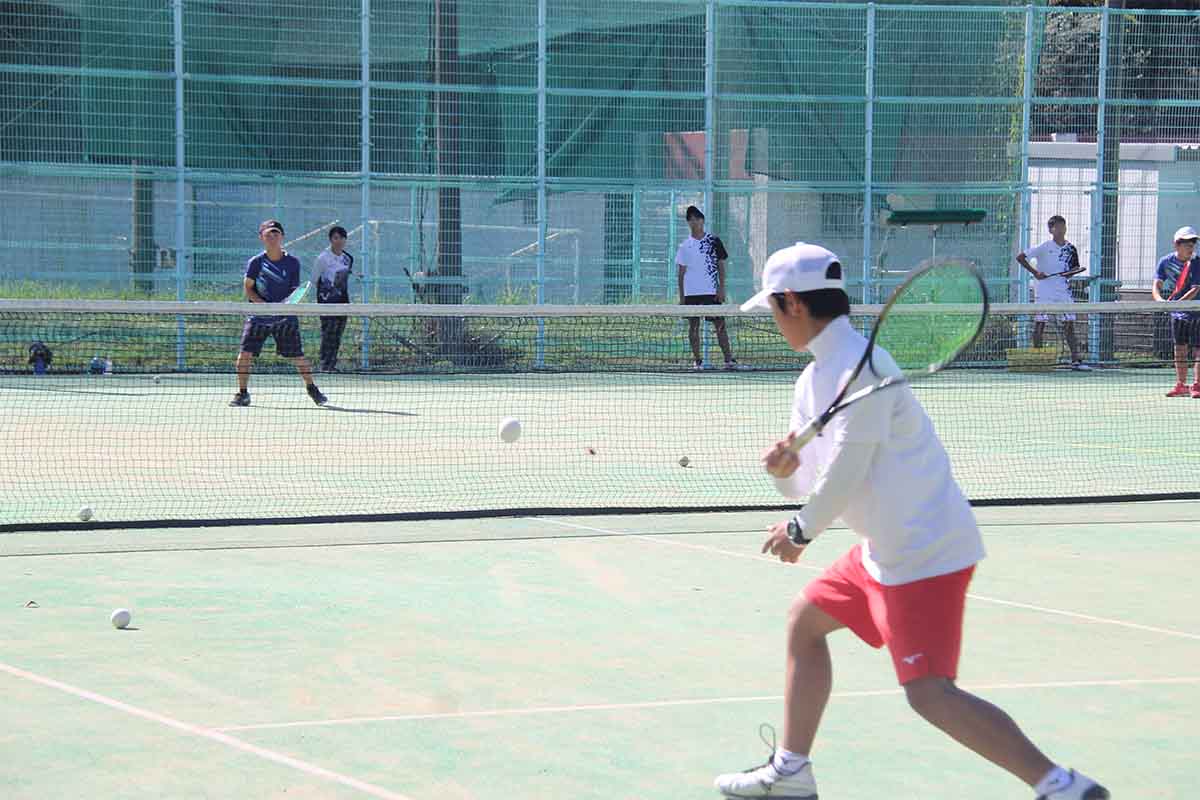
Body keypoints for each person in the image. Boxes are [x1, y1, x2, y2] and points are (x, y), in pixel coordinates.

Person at [714, 242, 1109, 800]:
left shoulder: (866, 367)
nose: (774, 323)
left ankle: (1061, 786)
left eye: (773, 311)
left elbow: (850, 470)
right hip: (881, 549)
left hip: (924, 550)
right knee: (805, 623)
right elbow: (812, 482)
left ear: (793, 304)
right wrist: (784, 473)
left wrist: (800, 530)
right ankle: (792, 770)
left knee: (929, 692)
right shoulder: (812, 381)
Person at [230, 219, 327, 408]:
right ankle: (242, 393)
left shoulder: (292, 263)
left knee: (298, 356)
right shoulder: (255, 263)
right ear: (261, 238)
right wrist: (264, 306)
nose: (272, 237)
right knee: (244, 355)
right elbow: (249, 288)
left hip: (285, 318)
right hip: (258, 317)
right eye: (268, 234)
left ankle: (312, 388)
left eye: (276, 233)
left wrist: (282, 309)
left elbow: (294, 291)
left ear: (282, 237)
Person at [1015, 215, 1090, 370]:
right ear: (1051, 229)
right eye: (1058, 227)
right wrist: (1035, 273)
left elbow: (1071, 270)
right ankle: (1038, 360)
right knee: (1040, 324)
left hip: (1063, 292)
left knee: (1069, 325)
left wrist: (1074, 272)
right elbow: (1020, 257)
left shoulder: (1070, 249)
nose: (1062, 229)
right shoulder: (1044, 247)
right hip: (1044, 291)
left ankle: (1076, 361)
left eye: (1064, 226)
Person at [676, 205, 742, 370]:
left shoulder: (713, 241)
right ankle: (697, 362)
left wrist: (721, 289)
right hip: (691, 294)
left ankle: (728, 361)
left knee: (720, 326)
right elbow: (681, 273)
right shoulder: (684, 246)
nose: (694, 222)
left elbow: (720, 267)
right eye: (690, 219)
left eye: (697, 218)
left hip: (711, 292)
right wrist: (682, 297)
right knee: (694, 327)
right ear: (688, 223)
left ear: (702, 221)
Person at [1152, 226, 1200, 397]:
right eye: (1186, 243)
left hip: (1196, 312)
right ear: (1176, 244)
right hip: (1178, 314)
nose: (1191, 246)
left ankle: (1197, 385)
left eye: (1193, 242)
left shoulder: (1196, 263)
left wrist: (1177, 304)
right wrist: (1159, 301)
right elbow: (1157, 283)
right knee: (1179, 348)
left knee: (1198, 350)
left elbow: (1195, 289)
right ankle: (1181, 385)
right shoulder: (1165, 262)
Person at [311, 225, 355, 372]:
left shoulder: (348, 259)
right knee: (328, 333)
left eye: (342, 238)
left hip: (343, 302)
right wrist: (326, 294)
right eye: (336, 238)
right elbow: (315, 280)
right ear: (331, 240)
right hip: (327, 303)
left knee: (337, 334)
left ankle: (332, 364)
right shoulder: (322, 258)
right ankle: (325, 364)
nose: (339, 241)